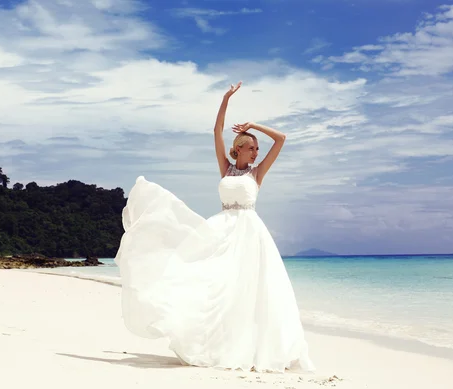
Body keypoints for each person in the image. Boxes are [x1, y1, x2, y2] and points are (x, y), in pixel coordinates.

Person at [114, 81, 314, 373]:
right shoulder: (226, 167)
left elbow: (281, 139)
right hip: (221, 230)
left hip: (250, 235)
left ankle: (253, 347)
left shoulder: (257, 173)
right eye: (252, 147)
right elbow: (216, 130)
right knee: (214, 286)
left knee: (250, 291)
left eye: (258, 148)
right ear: (239, 150)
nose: (256, 152)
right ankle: (214, 342)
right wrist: (225, 99)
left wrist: (255, 125)